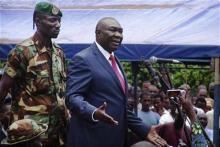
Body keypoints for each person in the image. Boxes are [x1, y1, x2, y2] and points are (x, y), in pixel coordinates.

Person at [65, 17, 167, 147]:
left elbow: (120, 106)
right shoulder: (82, 59)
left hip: (115, 139)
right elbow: (72, 97)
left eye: (121, 31)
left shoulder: (116, 61)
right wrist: (93, 111)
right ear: (98, 33)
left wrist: (145, 130)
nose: (118, 35)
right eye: (113, 30)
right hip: (91, 139)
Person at [0, 2, 67, 147]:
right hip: (30, 134)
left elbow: (61, 91)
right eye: (52, 20)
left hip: (57, 131)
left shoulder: (59, 53)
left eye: (59, 21)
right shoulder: (22, 51)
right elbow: (3, 88)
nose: (58, 25)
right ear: (38, 21)